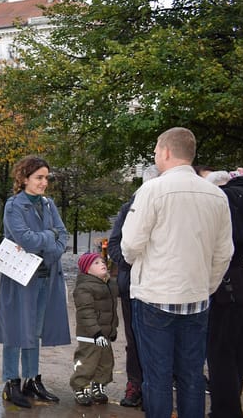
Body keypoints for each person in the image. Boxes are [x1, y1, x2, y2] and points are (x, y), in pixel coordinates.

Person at [121, 127, 233, 418]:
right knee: (191, 377)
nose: (156, 156)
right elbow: (224, 253)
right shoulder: (217, 195)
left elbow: (130, 245)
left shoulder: (152, 190)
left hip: (155, 298)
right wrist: (206, 286)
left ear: (167, 152)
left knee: (157, 379)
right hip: (196, 299)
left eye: (157, 151)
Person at [0, 155, 70, 408]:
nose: (44, 182)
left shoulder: (49, 205)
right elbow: (25, 239)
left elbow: (63, 235)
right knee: (16, 330)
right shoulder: (14, 205)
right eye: (39, 177)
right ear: (24, 178)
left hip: (45, 278)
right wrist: (50, 237)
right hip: (19, 279)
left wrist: (49, 241)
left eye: (46, 177)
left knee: (35, 332)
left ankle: (31, 380)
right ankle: (11, 382)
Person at [207, 173, 243, 417]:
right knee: (241, 350)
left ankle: (225, 410)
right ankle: (230, 406)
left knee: (221, 352)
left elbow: (231, 244)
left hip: (232, 287)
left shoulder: (229, 199)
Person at [106, 164, 159, 408]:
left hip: (161, 286)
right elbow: (115, 246)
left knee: (160, 341)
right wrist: (133, 263)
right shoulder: (129, 208)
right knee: (134, 338)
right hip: (132, 286)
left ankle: (156, 388)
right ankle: (135, 384)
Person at [70, 252, 119, 406]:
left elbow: (111, 310)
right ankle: (80, 387)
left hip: (104, 334)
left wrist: (112, 330)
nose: (102, 264)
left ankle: (99, 385)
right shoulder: (84, 288)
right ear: (87, 270)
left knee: (105, 362)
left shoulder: (110, 284)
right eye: (96, 263)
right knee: (87, 362)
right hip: (90, 335)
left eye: (102, 261)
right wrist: (96, 332)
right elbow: (86, 312)